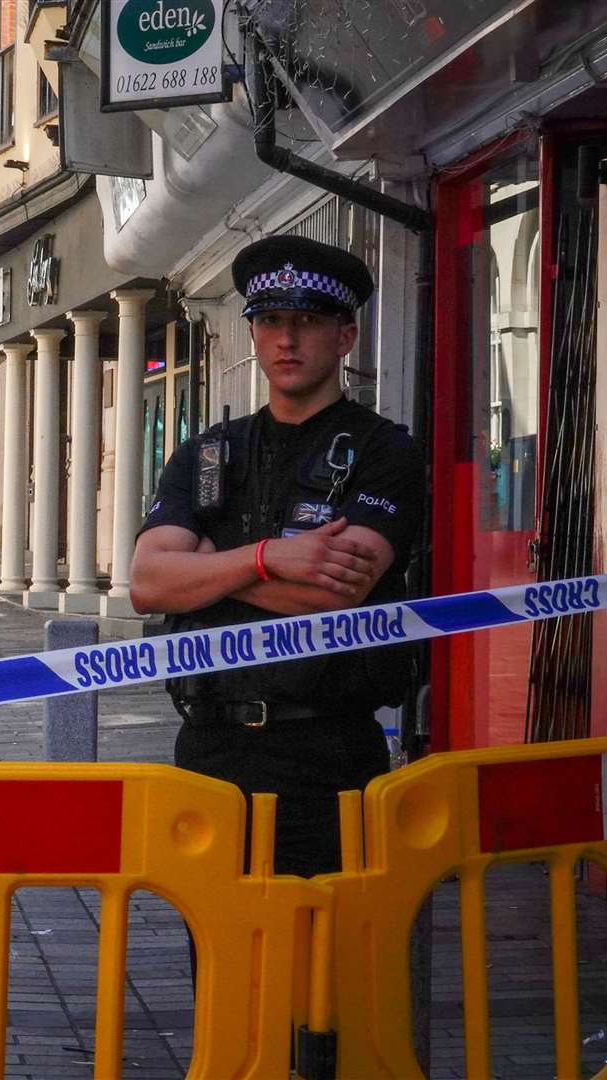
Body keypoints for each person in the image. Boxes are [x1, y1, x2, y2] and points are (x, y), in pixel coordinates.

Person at [129, 235, 424, 880]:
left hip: (326, 753)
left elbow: (329, 595)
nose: (287, 340)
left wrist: (206, 568)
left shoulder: (384, 452)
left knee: (324, 961)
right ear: (255, 335)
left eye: (308, 321)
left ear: (345, 337)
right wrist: (270, 558)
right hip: (210, 748)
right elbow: (149, 583)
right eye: (270, 322)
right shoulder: (209, 454)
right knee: (216, 964)